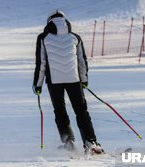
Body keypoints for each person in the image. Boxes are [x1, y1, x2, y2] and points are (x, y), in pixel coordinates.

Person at [32, 10, 104, 154]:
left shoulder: (43, 38)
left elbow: (41, 63)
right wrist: (84, 79)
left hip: (54, 81)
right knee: (81, 110)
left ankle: (68, 141)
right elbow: (82, 61)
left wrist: (37, 84)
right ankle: (91, 142)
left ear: (49, 22)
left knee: (60, 111)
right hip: (74, 79)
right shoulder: (75, 37)